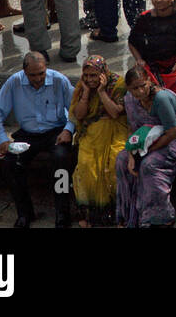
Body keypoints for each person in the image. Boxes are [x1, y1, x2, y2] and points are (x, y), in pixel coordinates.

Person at [0, 51, 76, 228]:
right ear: (24, 72)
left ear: (47, 69)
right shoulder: (14, 82)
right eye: (33, 75)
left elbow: (75, 110)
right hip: (27, 134)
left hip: (55, 131)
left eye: (41, 73)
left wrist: (68, 130)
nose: (38, 79)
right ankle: (24, 213)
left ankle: (62, 213)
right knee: (11, 164)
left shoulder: (59, 80)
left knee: (61, 161)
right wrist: (1, 138)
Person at [117, 66, 176, 228]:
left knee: (149, 163)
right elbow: (133, 130)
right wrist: (133, 154)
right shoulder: (130, 100)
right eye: (135, 88)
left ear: (149, 82)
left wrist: (145, 153)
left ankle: (160, 217)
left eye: (143, 85)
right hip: (147, 138)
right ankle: (129, 215)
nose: (140, 91)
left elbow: (172, 132)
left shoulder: (161, 98)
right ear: (129, 89)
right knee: (121, 159)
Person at [68, 55, 128, 227]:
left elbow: (115, 113)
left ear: (103, 73)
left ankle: (119, 215)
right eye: (86, 75)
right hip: (92, 131)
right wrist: (86, 93)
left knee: (115, 161)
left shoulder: (118, 83)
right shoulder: (82, 87)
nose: (89, 79)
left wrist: (101, 92)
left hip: (116, 129)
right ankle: (88, 214)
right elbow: (79, 115)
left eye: (94, 75)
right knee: (86, 165)